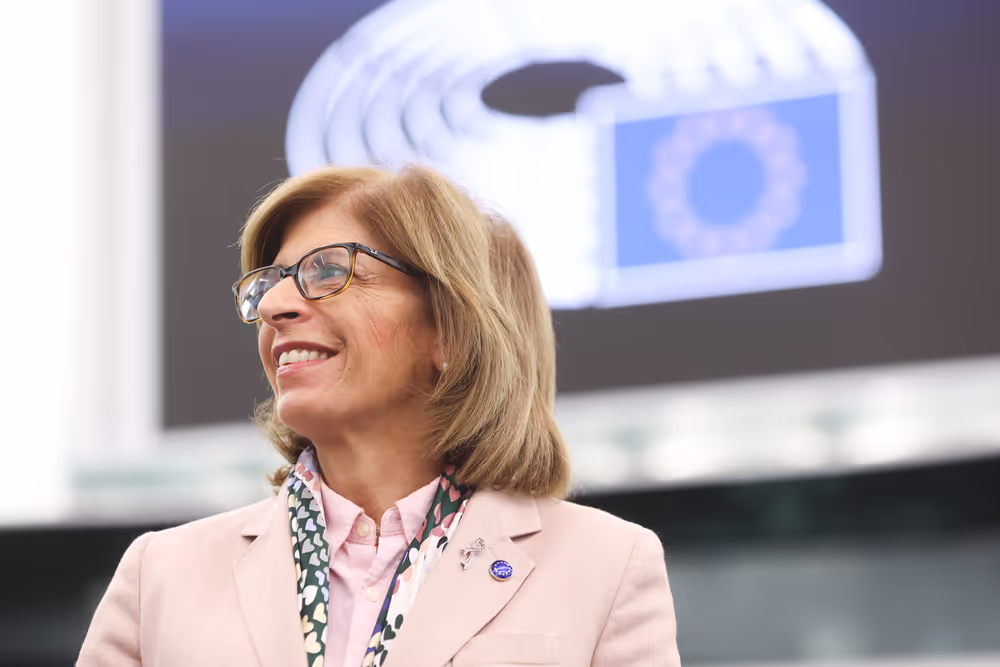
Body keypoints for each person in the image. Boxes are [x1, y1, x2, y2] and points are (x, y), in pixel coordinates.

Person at [78, 165, 682, 667]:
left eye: (329, 271)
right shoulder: (159, 575)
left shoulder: (607, 565)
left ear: (449, 327)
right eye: (272, 283)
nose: (277, 305)